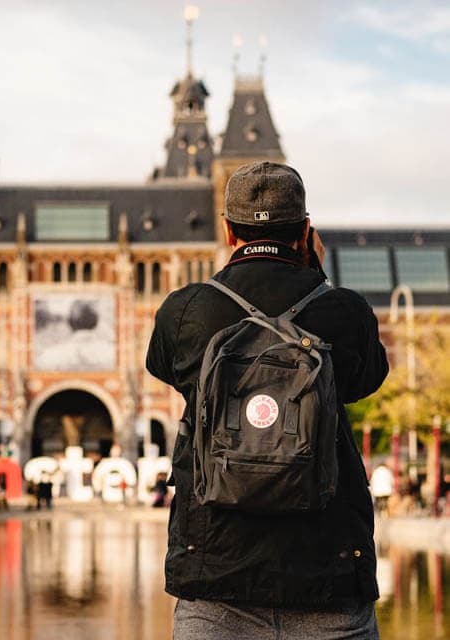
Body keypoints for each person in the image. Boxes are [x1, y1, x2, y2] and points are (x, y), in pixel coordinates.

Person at [147, 162, 388, 639]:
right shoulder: (346, 311)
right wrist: (316, 276)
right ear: (305, 231)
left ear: (226, 230)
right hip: (330, 581)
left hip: (216, 584)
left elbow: (166, 369)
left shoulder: (186, 310)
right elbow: (365, 381)